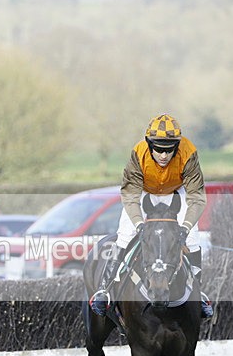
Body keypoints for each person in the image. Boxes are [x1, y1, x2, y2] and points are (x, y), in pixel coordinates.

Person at [89, 113, 212, 318]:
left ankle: (198, 295)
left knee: (192, 237)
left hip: (176, 192)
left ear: (177, 146)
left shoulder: (189, 153)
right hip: (144, 192)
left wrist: (186, 226)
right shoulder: (138, 153)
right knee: (126, 234)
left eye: (169, 150)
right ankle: (104, 289)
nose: (163, 155)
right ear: (149, 144)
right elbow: (130, 196)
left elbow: (197, 199)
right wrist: (139, 224)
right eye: (158, 149)